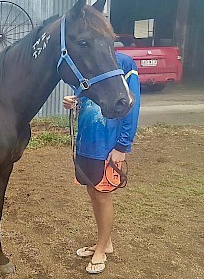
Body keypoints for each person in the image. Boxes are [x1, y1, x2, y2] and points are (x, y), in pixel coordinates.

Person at [62, 52, 141, 274]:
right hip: (86, 141)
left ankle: (102, 250)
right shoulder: (87, 61)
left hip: (108, 144)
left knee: (103, 196)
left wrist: (121, 147)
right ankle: (104, 242)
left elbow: (132, 105)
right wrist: (73, 101)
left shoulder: (124, 63)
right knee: (93, 193)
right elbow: (86, 96)